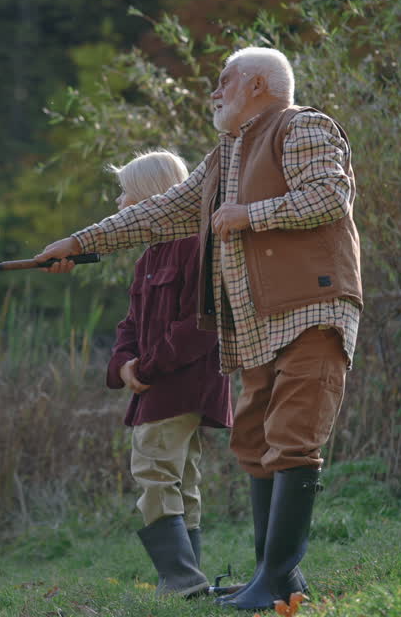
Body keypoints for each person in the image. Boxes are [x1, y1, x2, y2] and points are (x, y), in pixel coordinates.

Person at [35, 47, 362, 611]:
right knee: (256, 441)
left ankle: (275, 583)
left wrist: (249, 215)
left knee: (292, 436)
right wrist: (79, 243)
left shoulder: (302, 125)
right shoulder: (221, 159)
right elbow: (156, 213)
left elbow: (331, 196)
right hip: (258, 324)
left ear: (258, 84)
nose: (214, 91)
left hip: (312, 308)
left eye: (224, 80)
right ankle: (277, 579)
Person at [96, 150, 231, 598]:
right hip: (158, 384)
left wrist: (147, 369)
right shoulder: (149, 257)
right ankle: (187, 582)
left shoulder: (197, 247)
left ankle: (180, 581)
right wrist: (123, 364)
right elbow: (130, 325)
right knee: (180, 480)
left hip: (182, 386)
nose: (120, 205)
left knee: (155, 472)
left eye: (126, 194)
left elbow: (200, 325)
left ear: (151, 197)